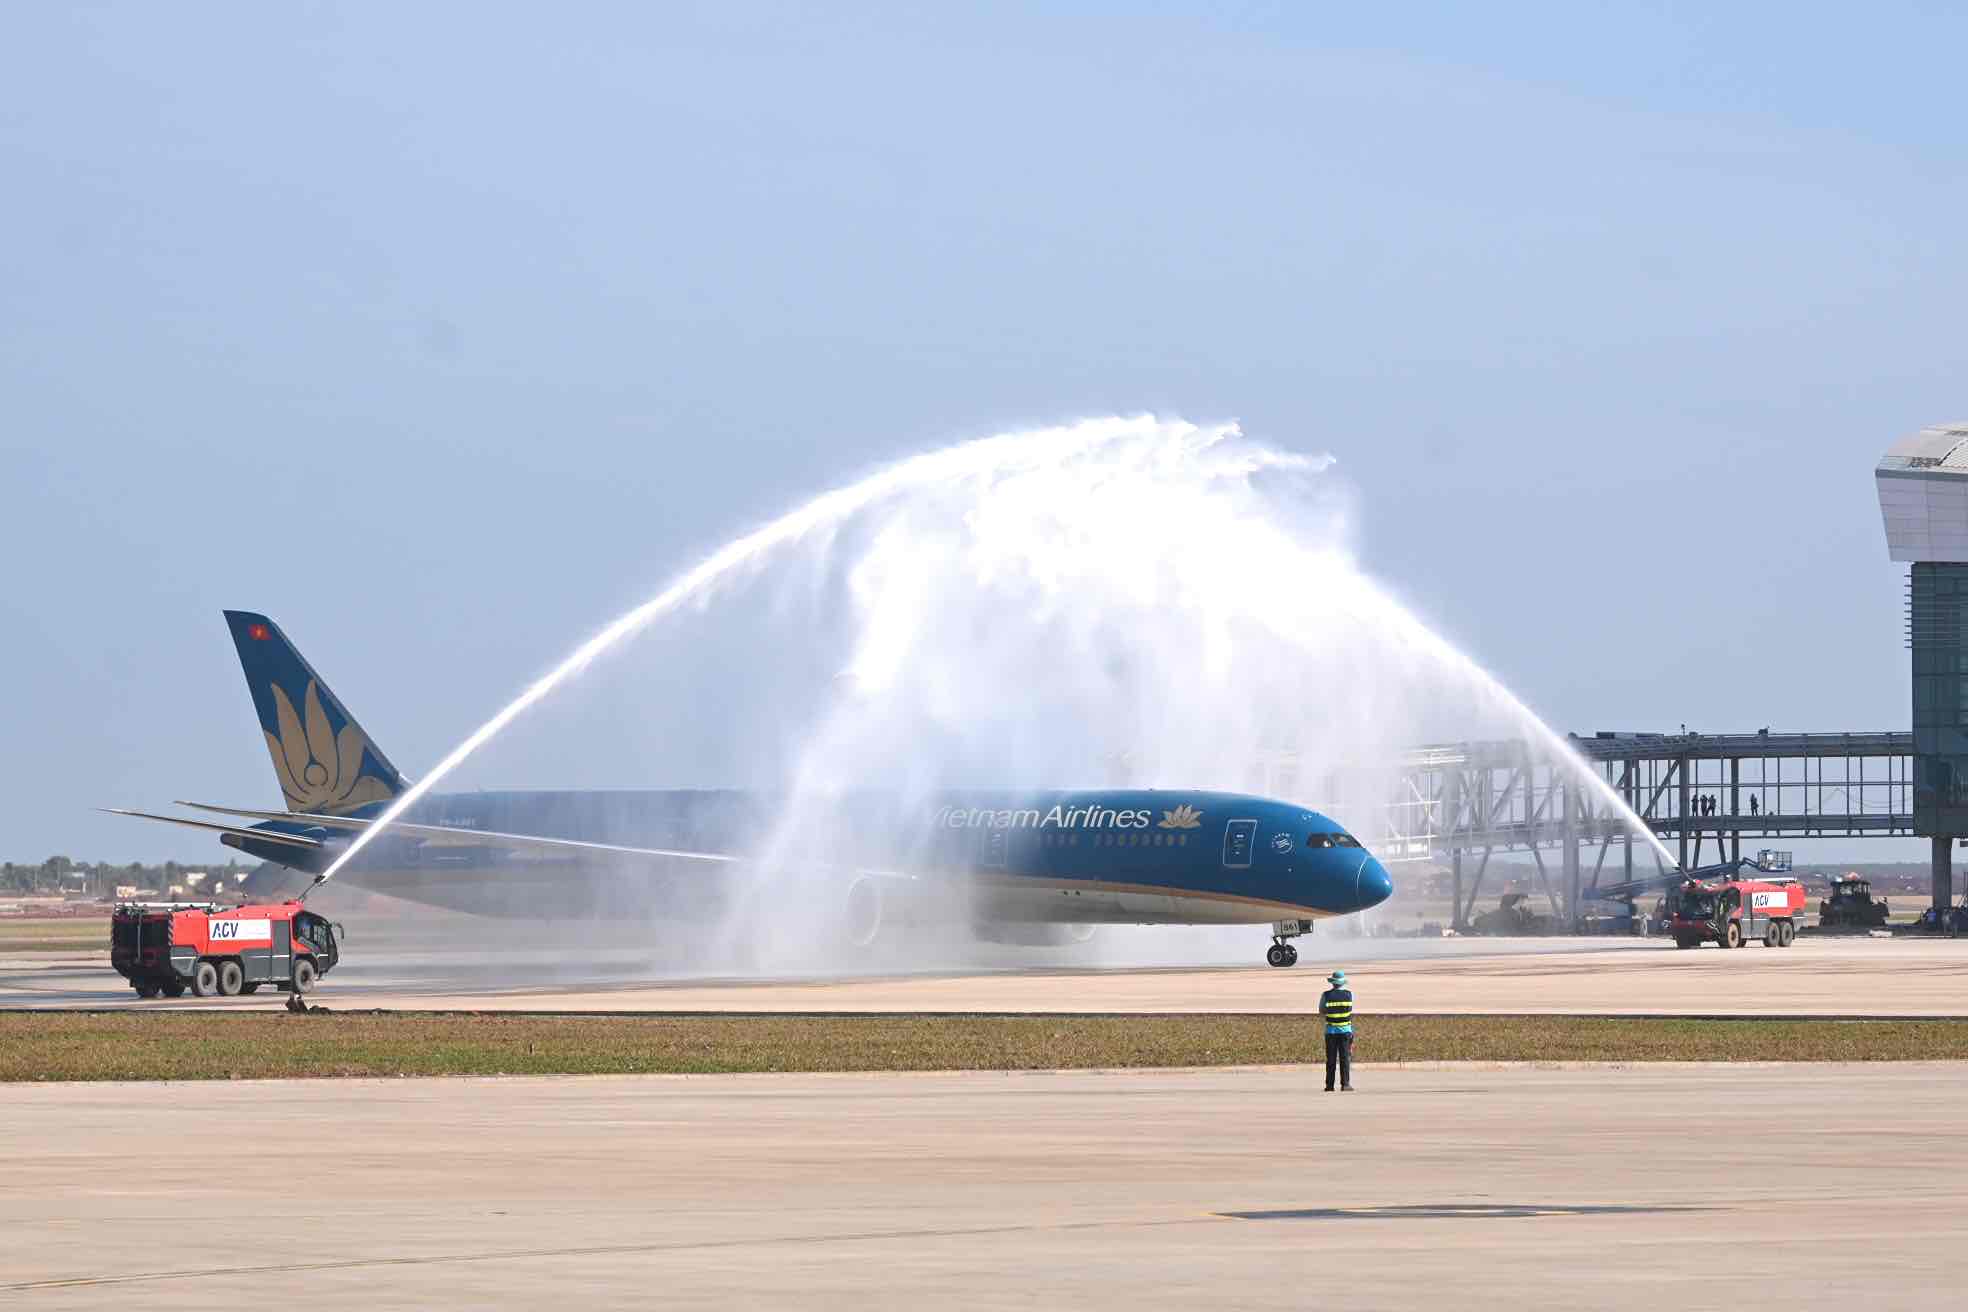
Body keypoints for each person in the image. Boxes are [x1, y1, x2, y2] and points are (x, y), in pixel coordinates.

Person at [1320, 969, 1355, 1091]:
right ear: (1342, 983)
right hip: (1345, 1031)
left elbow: (1321, 1010)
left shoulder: (1326, 995)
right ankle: (1345, 1084)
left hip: (1331, 1031)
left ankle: (1329, 1085)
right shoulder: (1349, 995)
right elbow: (1350, 1009)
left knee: (1331, 1059)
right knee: (1345, 1059)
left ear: (1333, 982)